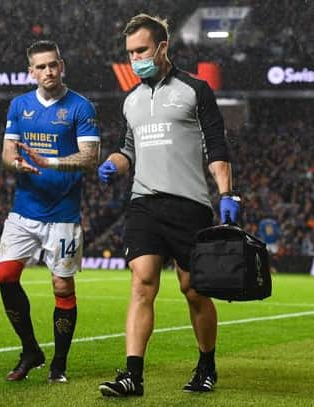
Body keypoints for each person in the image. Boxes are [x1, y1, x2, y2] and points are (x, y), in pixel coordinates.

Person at [97, 14, 240, 397]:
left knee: (194, 290)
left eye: (141, 50)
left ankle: (206, 364)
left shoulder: (196, 89)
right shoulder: (131, 100)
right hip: (144, 203)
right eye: (129, 53)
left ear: (162, 47)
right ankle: (132, 376)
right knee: (142, 282)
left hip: (189, 205)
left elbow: (216, 145)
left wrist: (227, 194)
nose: (135, 59)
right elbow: (128, 149)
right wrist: (115, 163)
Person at [0, 40, 100, 383]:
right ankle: (30, 349)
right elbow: (7, 153)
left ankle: (59, 364)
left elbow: (90, 158)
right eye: (40, 67)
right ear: (31, 72)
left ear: (62, 66)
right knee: (5, 277)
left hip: (63, 216)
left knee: (61, 286)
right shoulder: (19, 105)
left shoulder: (80, 107)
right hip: (24, 211)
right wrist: (17, 165)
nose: (48, 71)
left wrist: (49, 162)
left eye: (53, 65)